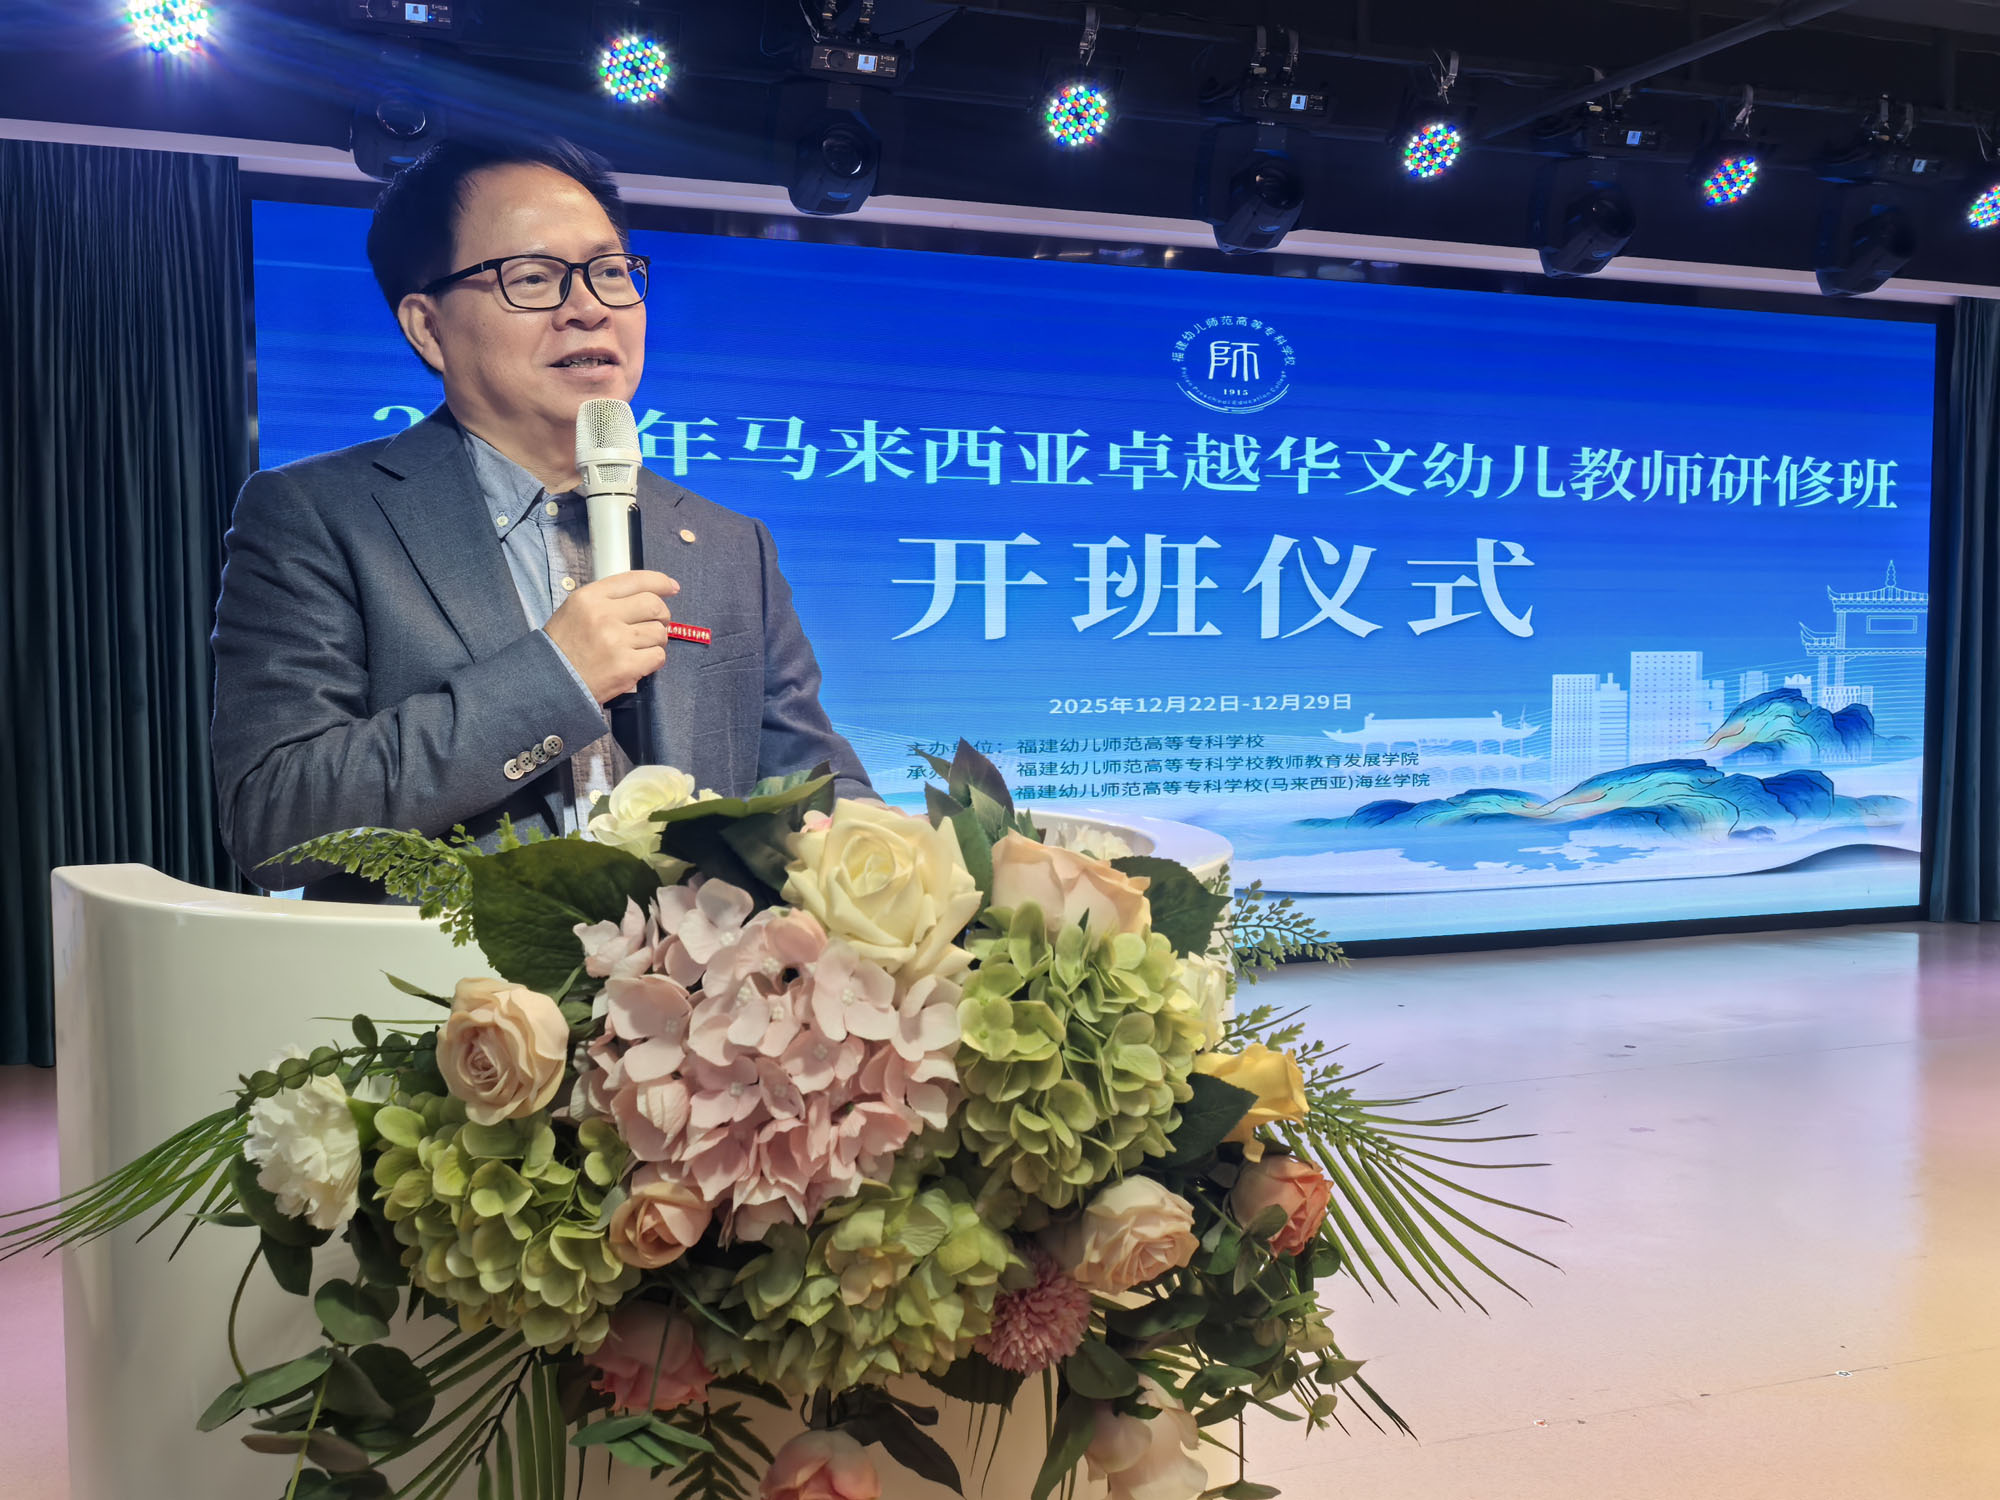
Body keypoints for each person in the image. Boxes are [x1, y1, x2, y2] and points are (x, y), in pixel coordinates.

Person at [210, 138, 871, 900]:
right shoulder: (319, 515)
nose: (589, 308)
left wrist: (905, 862)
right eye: (533, 278)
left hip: (693, 975)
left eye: (610, 272)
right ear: (427, 327)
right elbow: (277, 816)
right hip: (444, 976)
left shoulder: (730, 544)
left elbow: (811, 786)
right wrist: (557, 678)